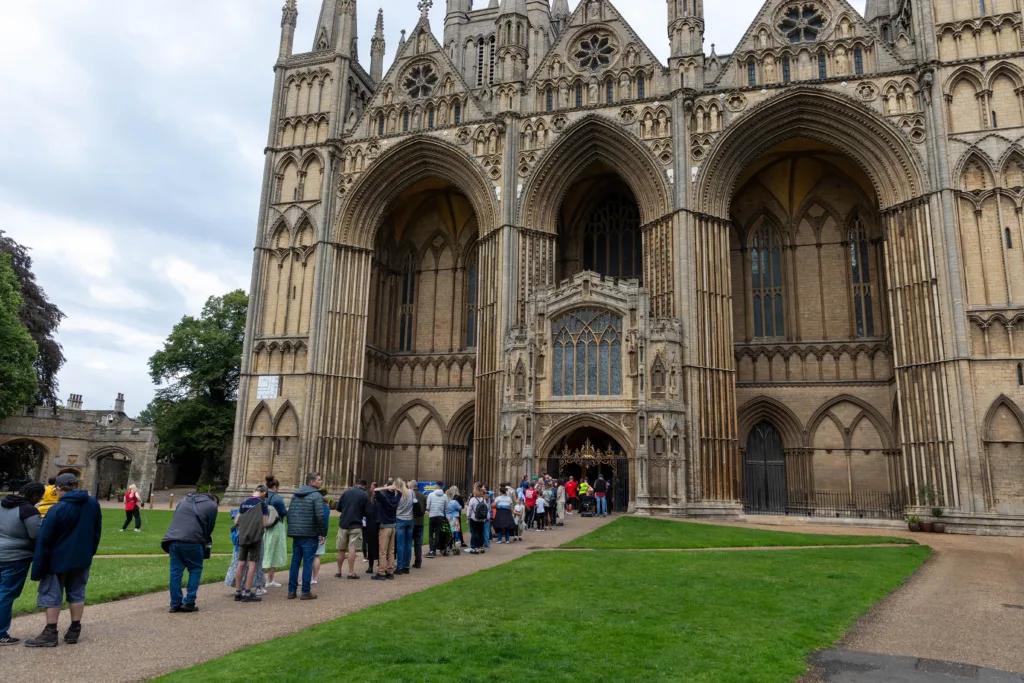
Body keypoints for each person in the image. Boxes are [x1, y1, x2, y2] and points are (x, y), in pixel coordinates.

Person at [25, 473, 102, 647]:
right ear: (76, 485)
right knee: (77, 593)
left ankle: (51, 632)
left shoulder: (57, 509)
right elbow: (97, 530)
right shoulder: (92, 503)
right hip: (82, 557)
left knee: (52, 594)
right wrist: (90, 552)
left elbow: (45, 539)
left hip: (57, 560)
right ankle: (75, 629)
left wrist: (39, 566)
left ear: (59, 489)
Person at [0, 481, 45, 645]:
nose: (39, 500)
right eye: (39, 497)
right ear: (34, 495)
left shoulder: (2, 503)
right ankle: (0, 633)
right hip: (15, 557)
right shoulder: (28, 510)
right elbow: (36, 534)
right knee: (6, 594)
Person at [163, 487, 219, 614]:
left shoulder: (185, 499)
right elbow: (209, 527)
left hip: (172, 538)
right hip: (192, 540)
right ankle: (189, 602)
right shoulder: (212, 505)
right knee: (195, 569)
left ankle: (175, 603)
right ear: (215, 500)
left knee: (175, 572)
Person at [287, 472, 327, 600]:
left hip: (297, 533)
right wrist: (323, 532)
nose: (321, 482)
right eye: (319, 480)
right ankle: (305, 591)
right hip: (309, 533)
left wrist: (293, 528)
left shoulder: (295, 495)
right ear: (312, 482)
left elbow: (290, 513)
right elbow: (320, 516)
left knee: (295, 562)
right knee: (308, 562)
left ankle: (291, 591)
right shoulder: (316, 496)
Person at [233, 484, 269, 602]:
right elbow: (264, 523)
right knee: (252, 563)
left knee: (241, 562)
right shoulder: (262, 505)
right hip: (255, 537)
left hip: (243, 536)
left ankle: (238, 592)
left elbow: (236, 520)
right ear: (263, 493)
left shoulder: (244, 503)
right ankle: (248, 593)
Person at [335, 480, 371, 580]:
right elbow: (369, 511)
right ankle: (350, 572)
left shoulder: (346, 492)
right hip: (356, 524)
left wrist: (346, 510)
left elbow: (338, 507)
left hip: (343, 524)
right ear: (364, 486)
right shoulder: (364, 494)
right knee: (352, 549)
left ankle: (338, 571)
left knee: (341, 549)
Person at [263, 476, 288, 588]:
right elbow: (283, 512)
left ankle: (265, 580)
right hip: (276, 526)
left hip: (264, 525)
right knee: (273, 552)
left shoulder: (263, 496)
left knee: (265, 550)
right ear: (274, 487)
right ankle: (269, 579)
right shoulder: (277, 498)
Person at [373, 483, 400, 580]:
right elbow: (400, 492)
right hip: (393, 526)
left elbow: (375, 490)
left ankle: (382, 572)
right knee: (391, 551)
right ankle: (390, 571)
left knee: (383, 551)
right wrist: (395, 488)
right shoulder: (396, 499)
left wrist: (386, 487)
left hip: (385, 527)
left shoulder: (385, 499)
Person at [394, 479, 415, 575]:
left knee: (400, 544)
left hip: (400, 519)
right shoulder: (411, 492)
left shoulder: (397, 494)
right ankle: (406, 566)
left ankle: (400, 567)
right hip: (410, 519)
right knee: (408, 544)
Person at [425, 481, 447, 558]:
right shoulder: (444, 496)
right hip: (440, 516)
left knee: (431, 534)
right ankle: (434, 549)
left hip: (432, 515)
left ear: (437, 486)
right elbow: (446, 507)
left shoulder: (431, 495)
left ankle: (432, 551)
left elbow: (427, 507)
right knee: (437, 533)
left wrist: (429, 509)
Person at [312, 498, 331, 584]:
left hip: (313, 532)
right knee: (316, 556)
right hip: (322, 532)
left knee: (310, 556)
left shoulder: (316, 507)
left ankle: (308, 578)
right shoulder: (326, 508)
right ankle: (314, 578)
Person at [410, 481, 427, 569]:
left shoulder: (409, 495)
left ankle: (406, 562)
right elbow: (424, 509)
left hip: (411, 521)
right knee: (418, 543)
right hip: (420, 522)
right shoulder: (423, 495)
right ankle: (418, 562)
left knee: (408, 543)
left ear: (410, 486)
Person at [467, 485, 489, 554]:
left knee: (475, 533)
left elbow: (469, 509)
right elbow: (486, 509)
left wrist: (468, 517)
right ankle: (482, 547)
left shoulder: (472, 499)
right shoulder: (483, 500)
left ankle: (476, 548)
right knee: (481, 533)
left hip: (474, 518)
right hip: (482, 519)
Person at [364, 483, 380, 575]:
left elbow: (366, 516)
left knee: (371, 547)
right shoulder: (379, 504)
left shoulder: (370, 505)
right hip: (377, 526)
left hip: (371, 527)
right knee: (379, 547)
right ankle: (377, 565)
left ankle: (370, 567)